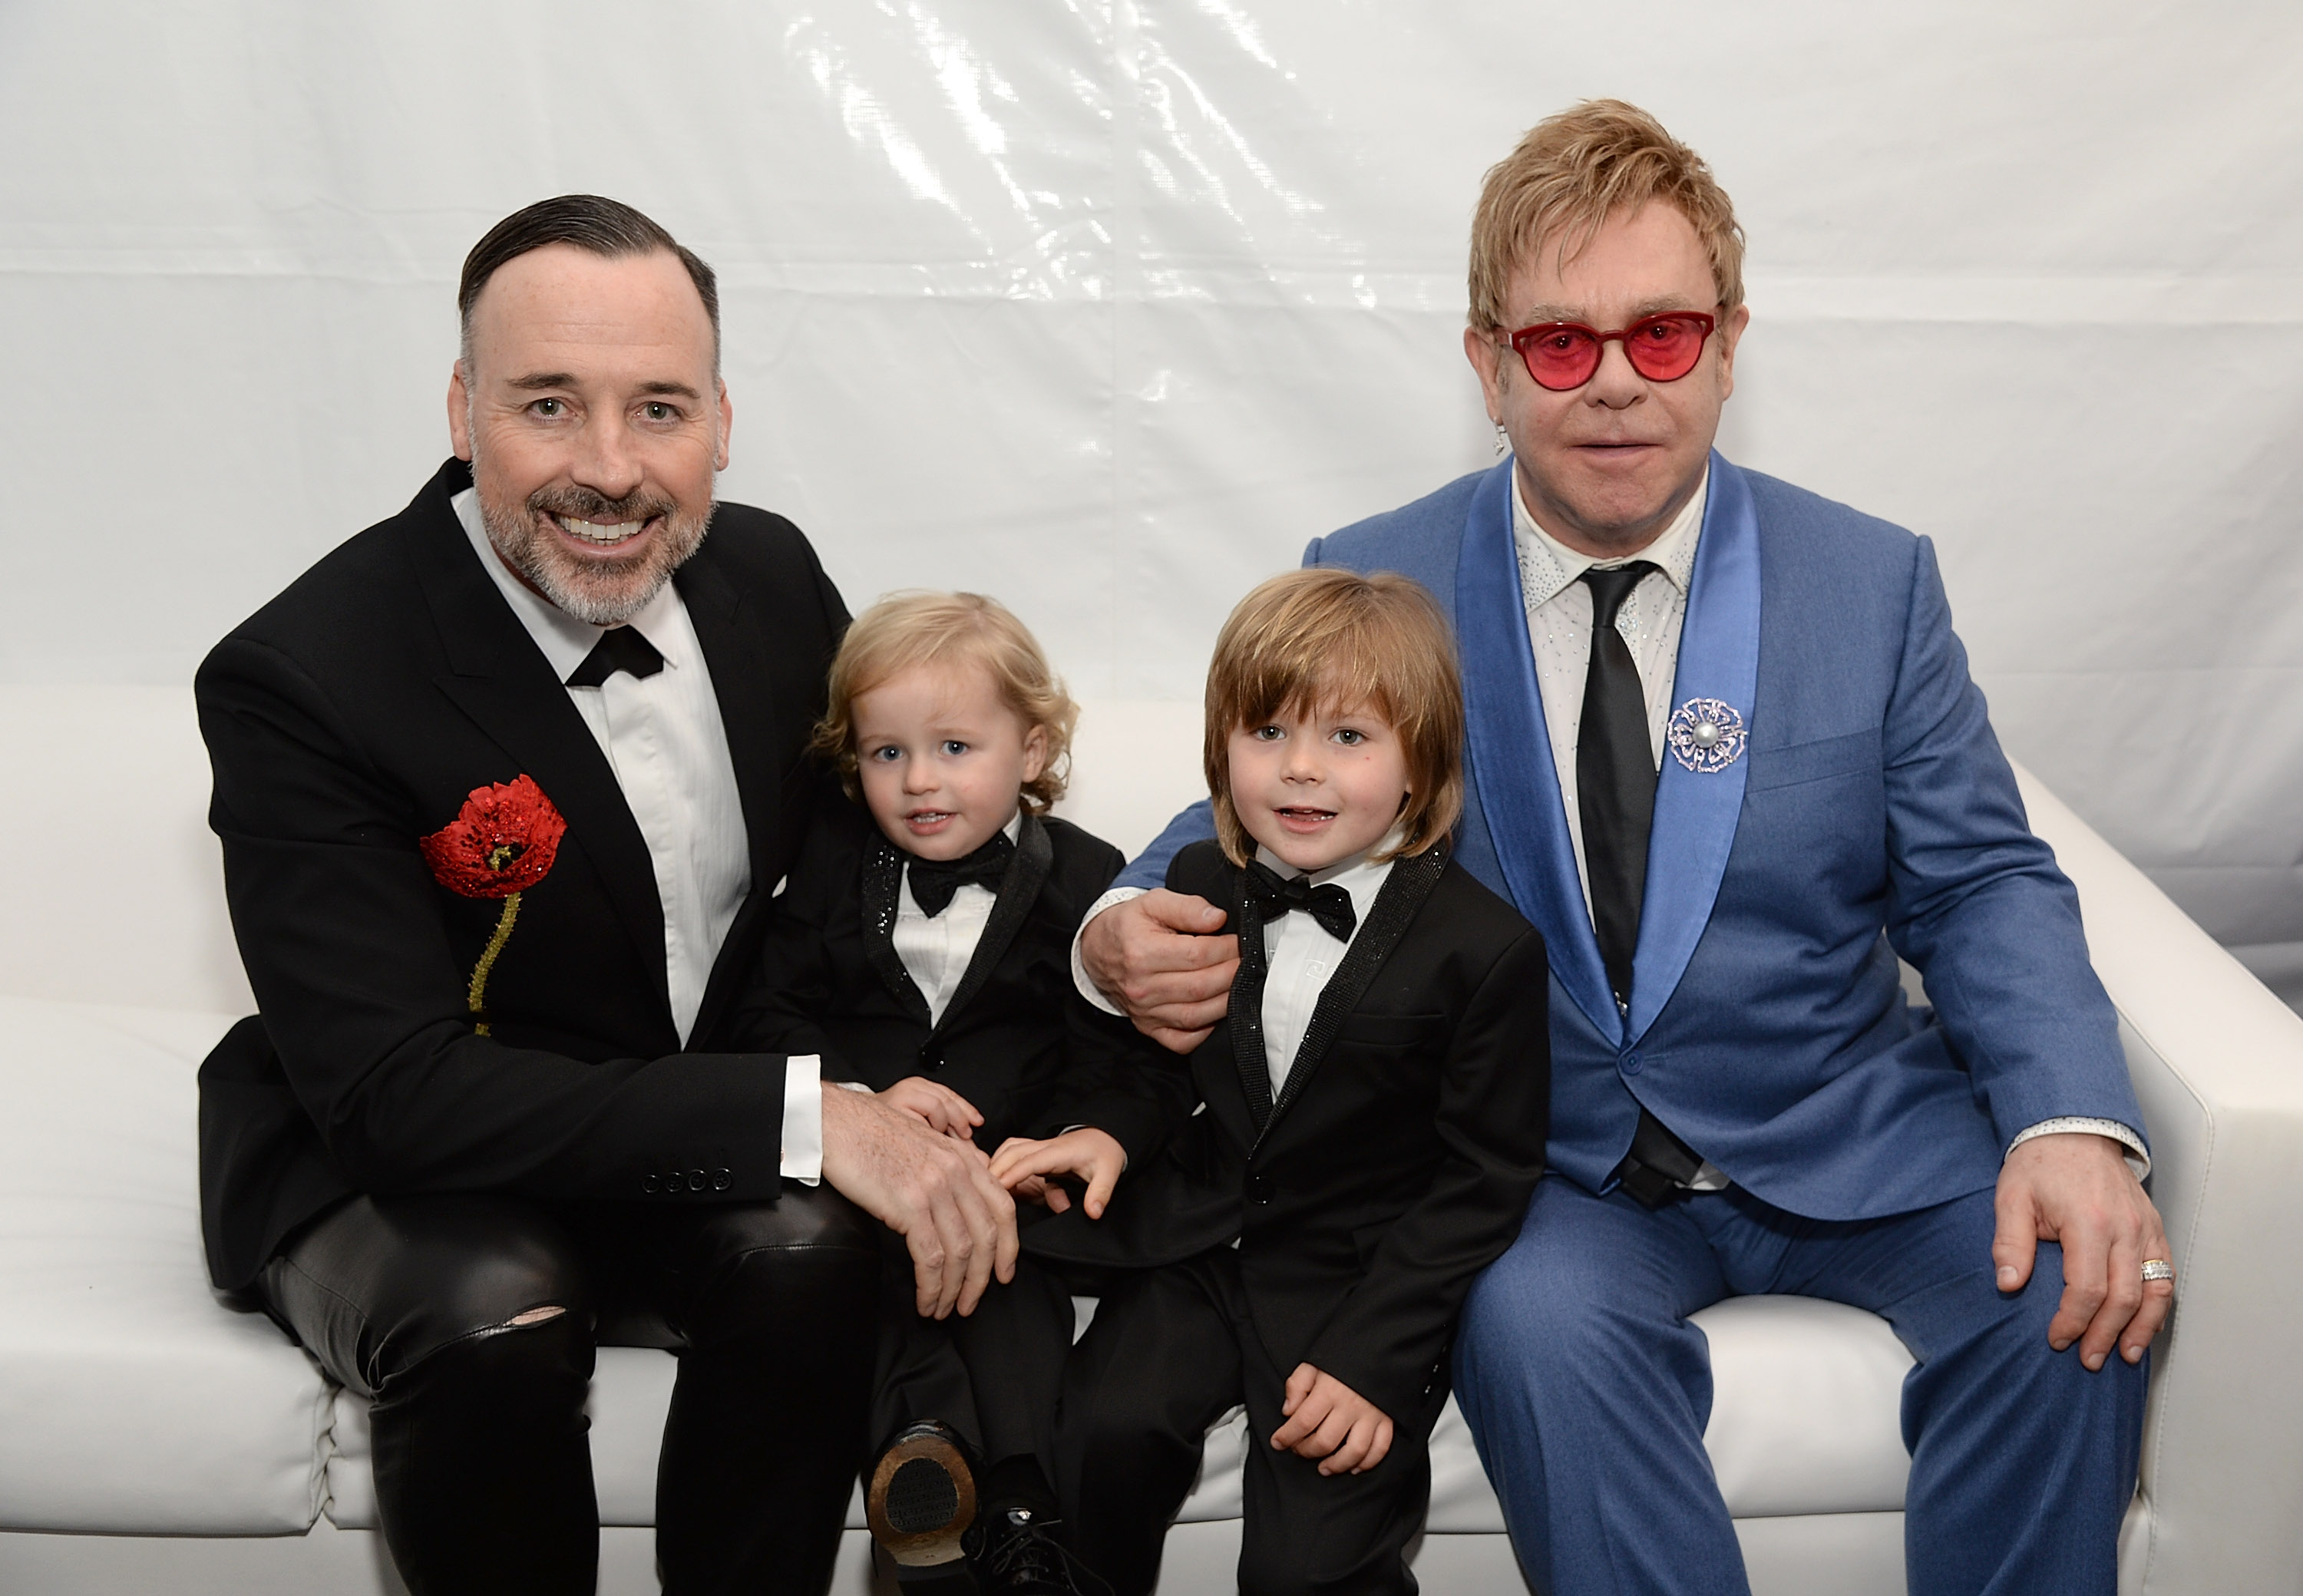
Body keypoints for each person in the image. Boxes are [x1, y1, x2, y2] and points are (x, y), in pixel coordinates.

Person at [1074, 102, 2172, 1594]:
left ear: (1726, 345)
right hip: (1553, 1171)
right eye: (1558, 342)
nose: (1610, 387)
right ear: (1486, 361)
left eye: (1659, 337)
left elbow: (1980, 879)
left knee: (2076, 1286)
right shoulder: (1376, 573)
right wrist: (1121, 918)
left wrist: (2069, 1118)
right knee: (1533, 1330)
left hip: (1853, 1128)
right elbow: (1253, 810)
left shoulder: (1871, 581)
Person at [194, 195, 1018, 1596]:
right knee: (493, 1316)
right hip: (403, 1161)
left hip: (676, 1124)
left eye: (658, 409)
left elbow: (908, 826)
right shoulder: (304, 676)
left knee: (813, 1253)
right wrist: (814, 1115)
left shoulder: (768, 572)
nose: (611, 469)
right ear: (462, 411)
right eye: (548, 406)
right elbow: (396, 1096)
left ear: (722, 420)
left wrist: (1115, 929)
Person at [999, 567, 1551, 1596]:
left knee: (1309, 1568)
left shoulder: (1488, 950)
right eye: (1266, 735)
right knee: (1105, 1434)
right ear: (1221, 751)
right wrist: (1111, 1132)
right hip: (1199, 1249)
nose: (1301, 772)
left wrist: (1378, 1359)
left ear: (1420, 766)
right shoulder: (1202, 884)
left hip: (1354, 1279)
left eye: (1348, 738)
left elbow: (1486, 1179)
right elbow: (1157, 1063)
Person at [742, 591, 1169, 1594]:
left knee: (1001, 1271)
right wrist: (861, 1094)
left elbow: (1132, 1056)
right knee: (859, 1268)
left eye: (955, 748)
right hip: (865, 1184)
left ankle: (1004, 1499)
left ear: (1032, 746)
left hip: (1012, 1181)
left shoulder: (1089, 882)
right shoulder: (827, 870)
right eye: (887, 754)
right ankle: (935, 1467)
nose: (920, 781)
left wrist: (1087, 1136)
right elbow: (762, 1015)